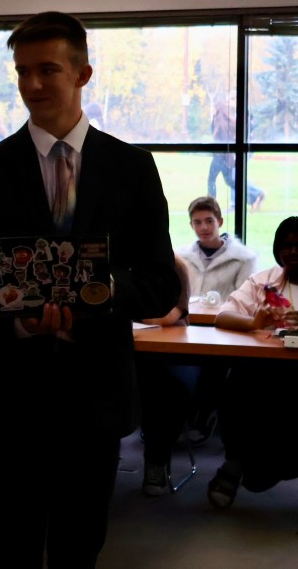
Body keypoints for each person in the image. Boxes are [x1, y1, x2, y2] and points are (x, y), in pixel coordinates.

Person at [0, 11, 179, 568]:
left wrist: (101, 291)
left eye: (47, 70)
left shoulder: (132, 169)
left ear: (82, 74)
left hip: (94, 396)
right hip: (11, 397)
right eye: (22, 71)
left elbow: (159, 285)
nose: (32, 84)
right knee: (10, 551)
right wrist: (18, 320)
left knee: (79, 549)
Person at [207, 216, 298, 509]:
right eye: (286, 245)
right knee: (239, 381)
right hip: (266, 370)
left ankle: (252, 466)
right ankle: (236, 462)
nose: (292, 252)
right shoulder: (263, 281)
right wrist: (253, 322)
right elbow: (223, 316)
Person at [177, 195, 258, 445]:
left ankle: (204, 413)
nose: (203, 227)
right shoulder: (180, 257)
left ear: (220, 222)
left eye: (209, 221)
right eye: (197, 222)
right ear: (191, 225)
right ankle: (172, 417)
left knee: (215, 361)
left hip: (224, 327)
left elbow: (246, 301)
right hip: (188, 326)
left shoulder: (243, 259)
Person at [135, 255, 197, 496]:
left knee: (166, 388)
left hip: (172, 352)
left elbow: (168, 316)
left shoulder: (174, 265)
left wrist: (126, 308)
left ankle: (156, 460)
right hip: (129, 352)